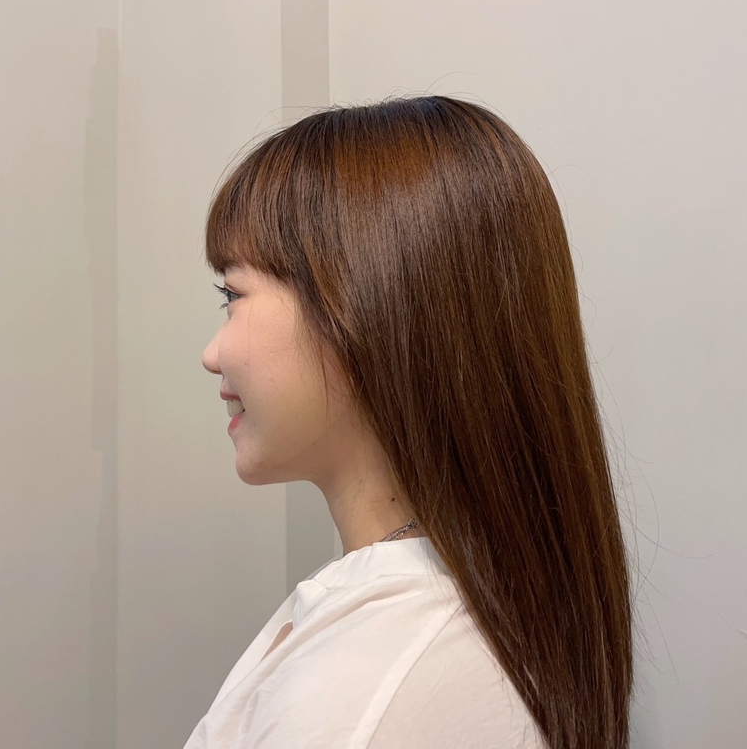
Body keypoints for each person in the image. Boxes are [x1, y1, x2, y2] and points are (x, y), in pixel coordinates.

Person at [190, 95, 633, 748]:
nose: (211, 354)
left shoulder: (366, 689)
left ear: (358, 304)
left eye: (233, 294)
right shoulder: (425, 630)